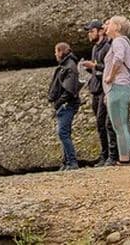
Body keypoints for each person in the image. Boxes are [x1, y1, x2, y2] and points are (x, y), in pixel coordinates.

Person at [78, 19, 119, 166]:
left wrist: (94, 65)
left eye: (92, 31)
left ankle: (113, 155)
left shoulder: (108, 47)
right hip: (96, 89)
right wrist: (89, 67)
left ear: (101, 31)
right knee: (100, 124)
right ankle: (105, 154)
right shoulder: (95, 48)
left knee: (107, 123)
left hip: (105, 89)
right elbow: (97, 68)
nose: (89, 34)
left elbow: (109, 67)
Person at [102, 16, 130, 165]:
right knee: (125, 124)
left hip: (118, 87)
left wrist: (110, 76)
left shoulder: (118, 41)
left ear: (117, 27)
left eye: (109, 23)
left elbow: (118, 58)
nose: (106, 26)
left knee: (119, 126)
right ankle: (128, 155)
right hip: (124, 87)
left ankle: (124, 159)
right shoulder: (125, 42)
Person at [48, 42, 81, 171]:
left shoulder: (70, 66)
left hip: (67, 104)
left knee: (63, 133)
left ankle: (72, 162)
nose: (55, 54)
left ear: (61, 52)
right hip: (63, 104)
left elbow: (69, 90)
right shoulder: (65, 66)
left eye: (56, 51)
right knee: (63, 133)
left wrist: (58, 103)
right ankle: (66, 162)